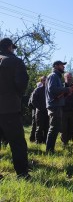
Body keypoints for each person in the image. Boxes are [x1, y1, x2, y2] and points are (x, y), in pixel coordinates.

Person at [0, 38, 30, 179]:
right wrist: (16, 96)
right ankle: (22, 174)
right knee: (17, 142)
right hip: (9, 108)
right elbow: (21, 84)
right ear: (10, 47)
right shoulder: (15, 61)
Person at [45, 61, 73, 153]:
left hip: (56, 105)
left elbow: (56, 92)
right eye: (62, 65)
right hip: (54, 106)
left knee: (55, 128)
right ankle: (49, 150)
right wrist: (66, 89)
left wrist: (65, 92)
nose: (64, 67)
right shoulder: (53, 76)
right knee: (54, 128)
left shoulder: (56, 76)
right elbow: (52, 90)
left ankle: (50, 149)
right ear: (56, 66)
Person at [29, 77, 48, 144]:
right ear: (41, 81)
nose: (45, 81)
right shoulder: (38, 90)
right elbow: (33, 100)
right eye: (44, 80)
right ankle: (38, 142)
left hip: (48, 111)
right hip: (40, 111)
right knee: (39, 127)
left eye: (47, 80)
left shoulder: (49, 90)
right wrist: (39, 107)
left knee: (47, 127)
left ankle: (45, 141)